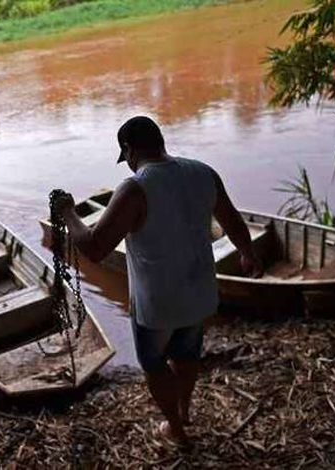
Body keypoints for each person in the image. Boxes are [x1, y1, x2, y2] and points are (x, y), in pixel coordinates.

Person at [54, 115, 262, 446]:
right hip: (201, 291)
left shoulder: (136, 187)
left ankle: (175, 429)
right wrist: (248, 253)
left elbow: (94, 247)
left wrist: (68, 214)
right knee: (187, 354)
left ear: (129, 150)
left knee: (154, 362)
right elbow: (233, 220)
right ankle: (184, 409)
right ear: (161, 141)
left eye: (126, 158)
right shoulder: (202, 172)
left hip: (159, 304)